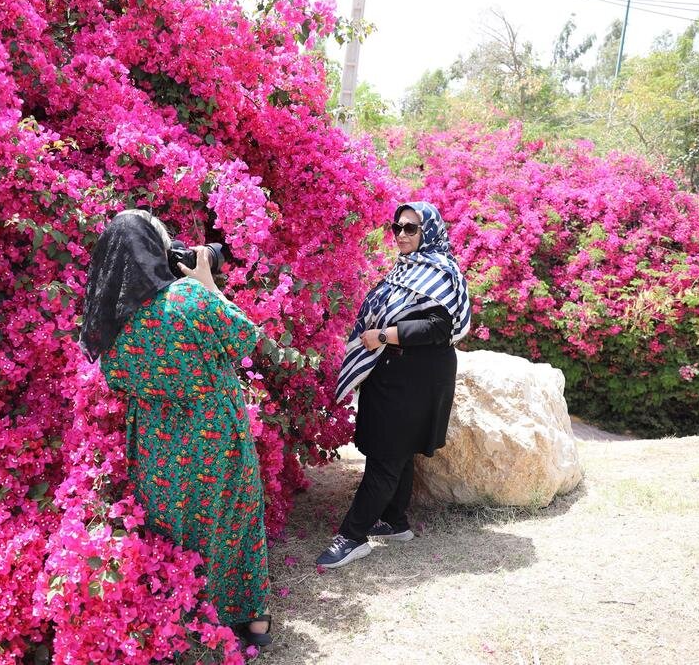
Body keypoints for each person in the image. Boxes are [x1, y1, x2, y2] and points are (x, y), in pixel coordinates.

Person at [80, 209, 273, 646]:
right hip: (216, 433)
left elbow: (118, 381)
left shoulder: (112, 323)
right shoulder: (190, 298)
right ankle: (253, 622)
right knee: (234, 517)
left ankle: (189, 623)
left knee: (175, 529)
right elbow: (246, 339)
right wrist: (208, 284)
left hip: (154, 443)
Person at [316, 202, 471, 569]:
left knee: (387, 458)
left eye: (410, 228)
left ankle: (352, 536)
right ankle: (395, 521)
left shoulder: (442, 273)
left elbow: (439, 328)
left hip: (417, 380)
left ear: (428, 232)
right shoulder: (406, 270)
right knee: (392, 452)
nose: (401, 234)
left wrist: (386, 334)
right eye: (397, 227)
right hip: (392, 374)